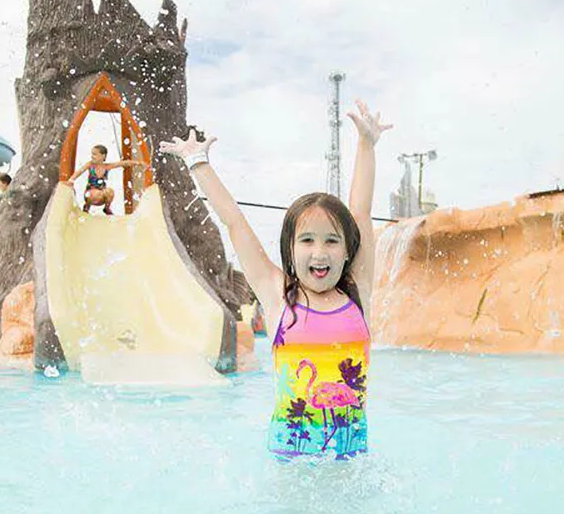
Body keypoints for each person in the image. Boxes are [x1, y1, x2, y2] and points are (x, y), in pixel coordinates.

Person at [160, 100, 392, 460]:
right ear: (290, 247)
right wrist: (198, 163)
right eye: (307, 240)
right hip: (290, 459)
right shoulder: (276, 295)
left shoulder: (357, 293)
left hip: (350, 461)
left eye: (332, 241)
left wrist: (366, 145)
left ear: (348, 251)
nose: (320, 252)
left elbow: (360, 211)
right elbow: (235, 222)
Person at [68, 145, 148, 214]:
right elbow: (79, 171)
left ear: (103, 156)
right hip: (90, 193)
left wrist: (139, 163)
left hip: (101, 195)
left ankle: (106, 208)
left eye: (95, 154)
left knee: (110, 191)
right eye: (92, 154)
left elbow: (123, 163)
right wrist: (71, 180)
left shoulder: (107, 167)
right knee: (94, 194)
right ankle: (87, 206)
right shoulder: (90, 165)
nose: (92, 156)